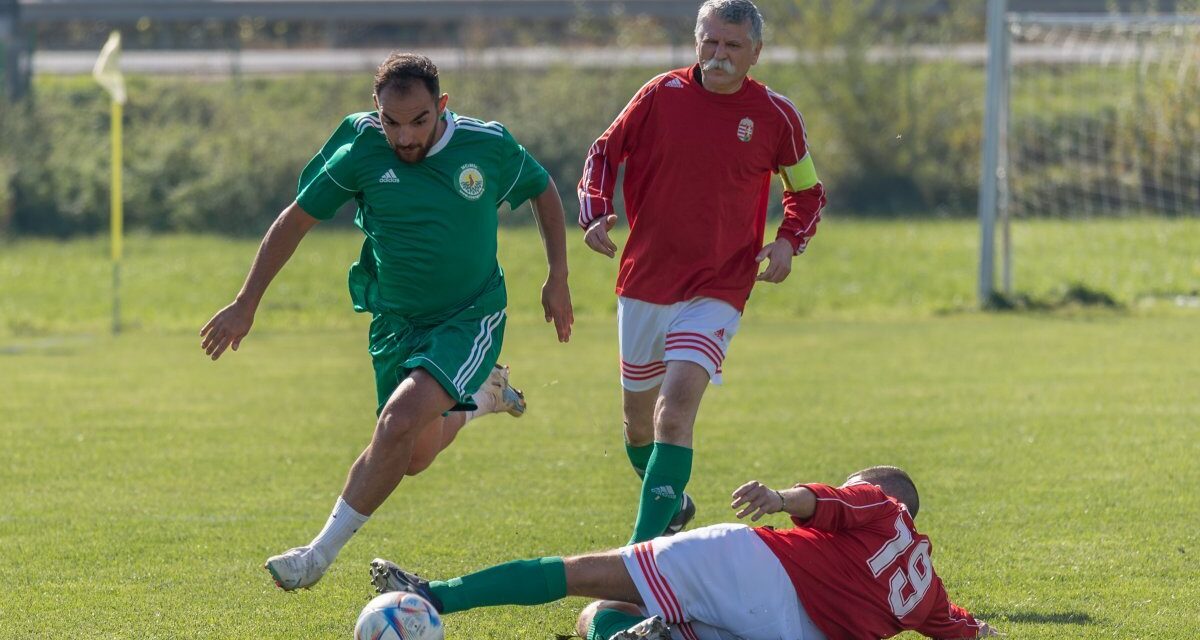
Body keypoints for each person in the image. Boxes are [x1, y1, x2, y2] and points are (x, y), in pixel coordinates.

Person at [199, 52, 574, 591]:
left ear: (442, 106)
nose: (405, 136)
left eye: (419, 120)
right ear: (377, 112)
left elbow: (541, 188)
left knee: (398, 423)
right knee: (412, 455)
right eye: (392, 122)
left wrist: (557, 276)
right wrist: (245, 301)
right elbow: (296, 220)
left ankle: (316, 556)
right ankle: (486, 398)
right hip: (397, 323)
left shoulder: (486, 146)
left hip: (470, 316)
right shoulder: (362, 152)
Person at [576, 0, 828, 544]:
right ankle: (672, 502)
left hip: (719, 287)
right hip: (645, 281)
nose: (719, 55)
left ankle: (639, 563)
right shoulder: (658, 96)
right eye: (710, 42)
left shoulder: (776, 115)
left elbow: (806, 190)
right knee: (639, 426)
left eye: (732, 45)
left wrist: (787, 242)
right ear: (696, 41)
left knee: (675, 412)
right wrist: (595, 209)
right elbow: (602, 153)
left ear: (755, 52)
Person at [370, 466, 998, 640]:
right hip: (795, 633)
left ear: (888, 495)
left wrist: (780, 497)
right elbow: (964, 633)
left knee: (582, 578)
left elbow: (826, 502)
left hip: (756, 567)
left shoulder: (881, 506)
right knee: (600, 617)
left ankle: (437, 596)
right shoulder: (928, 590)